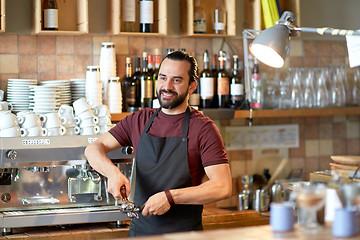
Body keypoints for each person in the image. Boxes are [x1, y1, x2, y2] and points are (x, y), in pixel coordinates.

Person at [85, 51, 232, 237]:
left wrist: (171, 197)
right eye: (163, 78)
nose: (167, 86)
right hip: (141, 233)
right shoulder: (139, 120)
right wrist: (112, 173)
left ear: (192, 86)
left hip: (184, 235)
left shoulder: (203, 128)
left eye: (177, 80)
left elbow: (223, 186)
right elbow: (94, 148)